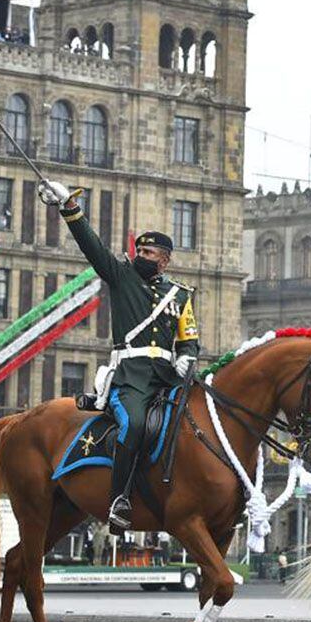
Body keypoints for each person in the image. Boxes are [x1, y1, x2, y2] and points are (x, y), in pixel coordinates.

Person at [38, 179, 199, 532]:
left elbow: (189, 340)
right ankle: (119, 499)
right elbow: (93, 248)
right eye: (139, 252)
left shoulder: (180, 295)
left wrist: (185, 360)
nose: (141, 257)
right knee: (134, 424)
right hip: (132, 377)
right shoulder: (121, 277)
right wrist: (70, 209)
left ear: (165, 260)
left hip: (168, 377)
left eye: (149, 254)